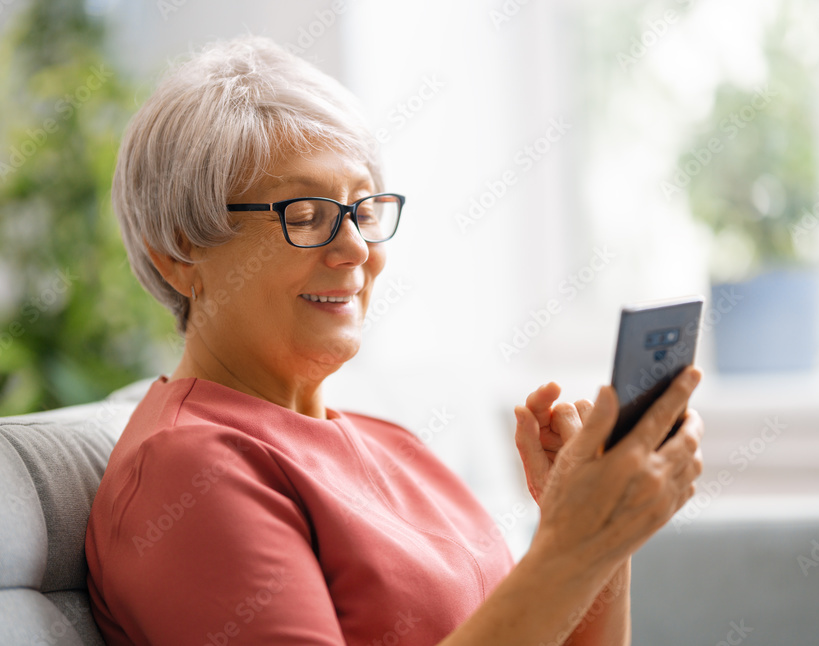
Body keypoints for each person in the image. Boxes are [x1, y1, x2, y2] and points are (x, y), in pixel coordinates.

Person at [84, 35, 705, 646]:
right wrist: (576, 544)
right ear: (177, 252)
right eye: (306, 216)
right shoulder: (188, 469)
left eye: (364, 210)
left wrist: (601, 536)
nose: (356, 247)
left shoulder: (394, 444)